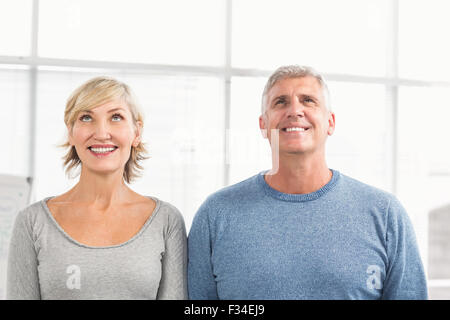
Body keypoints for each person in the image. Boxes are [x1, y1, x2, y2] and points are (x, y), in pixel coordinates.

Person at [188, 65, 428, 300]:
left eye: (308, 100)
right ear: (263, 124)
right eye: (280, 102)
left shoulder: (385, 215)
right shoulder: (216, 214)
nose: (294, 110)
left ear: (330, 122)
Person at [7, 76, 187, 300]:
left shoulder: (166, 221)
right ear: (71, 132)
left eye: (116, 117)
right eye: (86, 117)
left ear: (137, 133)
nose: (101, 133)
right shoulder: (32, 222)